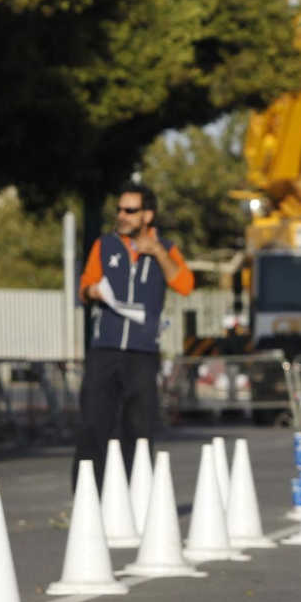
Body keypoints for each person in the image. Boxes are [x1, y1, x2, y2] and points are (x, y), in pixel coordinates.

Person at [74, 184, 194, 489]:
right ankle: (87, 496)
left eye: (130, 210)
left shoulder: (166, 247)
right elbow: (84, 287)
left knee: (139, 426)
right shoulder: (104, 245)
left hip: (143, 351)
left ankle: (135, 495)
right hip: (105, 348)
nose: (122, 215)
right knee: (93, 422)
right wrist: (93, 290)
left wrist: (156, 252)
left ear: (147, 215)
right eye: (120, 209)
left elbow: (184, 283)